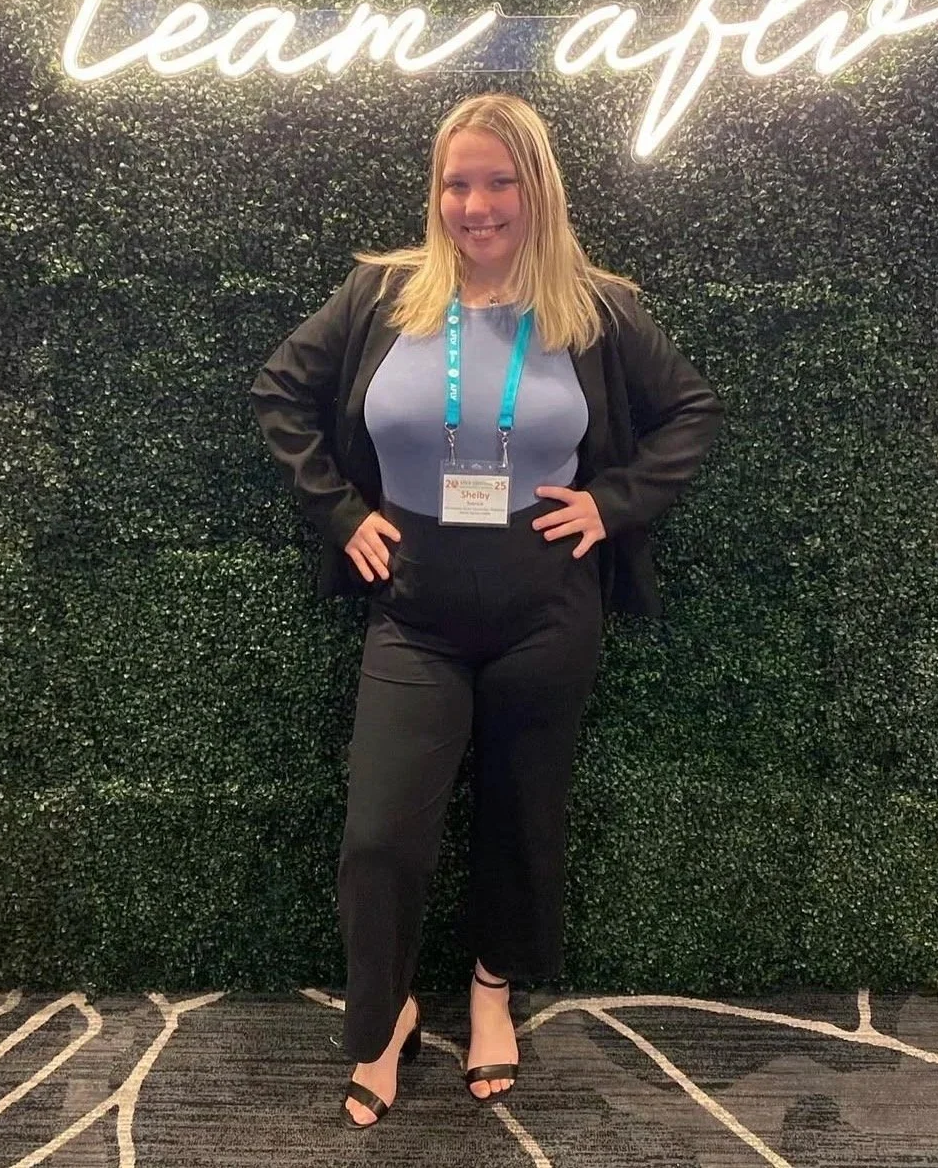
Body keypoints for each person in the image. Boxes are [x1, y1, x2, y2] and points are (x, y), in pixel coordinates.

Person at [250, 92, 724, 1126]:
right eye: (457, 182)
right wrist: (339, 513)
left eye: (498, 181)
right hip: (413, 603)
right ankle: (383, 1017)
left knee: (523, 816)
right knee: (379, 834)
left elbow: (691, 410)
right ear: (438, 193)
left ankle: (492, 995)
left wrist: (613, 501)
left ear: (537, 188)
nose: (476, 203)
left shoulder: (594, 305)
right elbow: (280, 391)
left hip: (544, 602)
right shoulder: (383, 292)